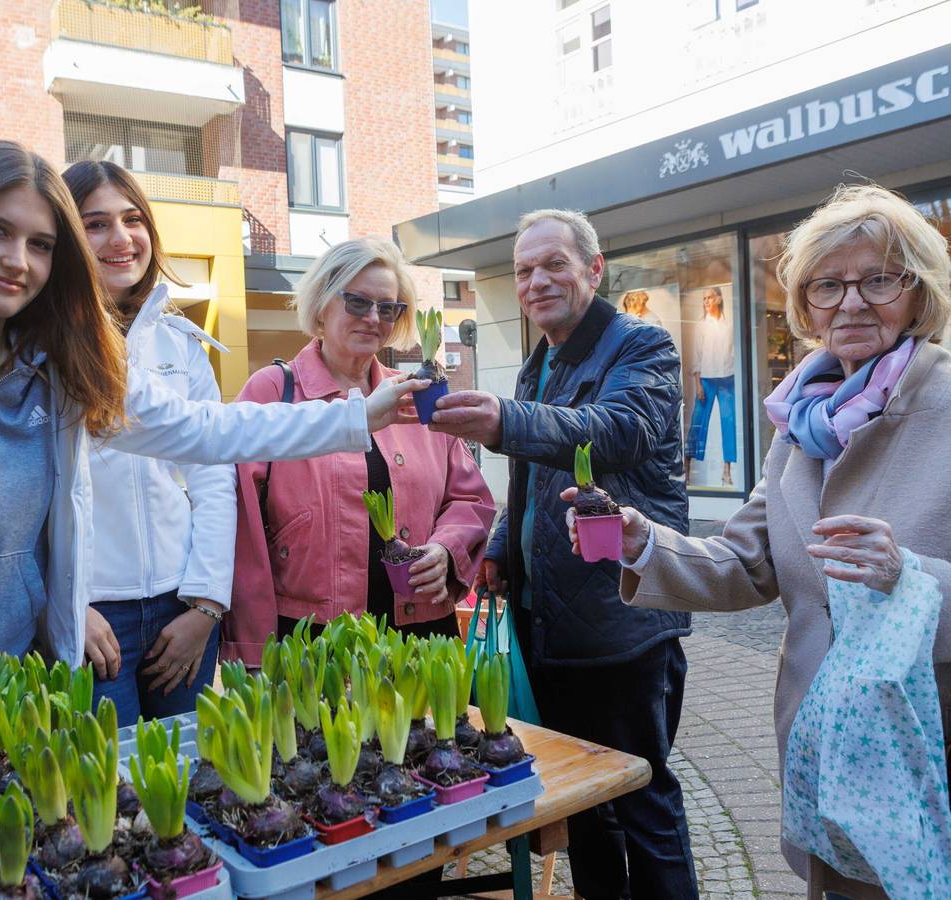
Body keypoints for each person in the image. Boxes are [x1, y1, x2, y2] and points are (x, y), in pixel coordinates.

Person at [0, 140, 423, 781]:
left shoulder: (61, 368)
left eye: (41, 244)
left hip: (3, 705)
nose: (18, 259)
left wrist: (353, 416)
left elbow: (205, 432)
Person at [565, 183, 951, 882]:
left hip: (927, 746)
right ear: (805, 306)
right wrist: (640, 541)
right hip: (821, 745)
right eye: (828, 285)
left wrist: (912, 576)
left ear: (919, 292)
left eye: (878, 280)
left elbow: (913, 580)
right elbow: (745, 563)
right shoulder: (800, 422)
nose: (851, 302)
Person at [431, 209, 698, 899]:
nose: (537, 280)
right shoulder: (539, 359)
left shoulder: (642, 345)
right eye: (524, 270)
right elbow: (537, 473)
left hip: (621, 621)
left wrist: (503, 420)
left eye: (554, 263)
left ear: (594, 267)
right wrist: (499, 544)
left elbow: (615, 433)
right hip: (549, 618)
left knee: (642, 796)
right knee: (584, 801)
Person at [223, 238, 495, 665]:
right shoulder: (273, 392)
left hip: (419, 629)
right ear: (323, 303)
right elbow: (239, 528)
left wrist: (446, 550)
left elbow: (469, 498)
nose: (374, 318)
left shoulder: (416, 397)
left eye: (388, 308)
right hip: (313, 636)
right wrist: (252, 647)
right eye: (357, 302)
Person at [63, 160, 233, 726]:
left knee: (186, 782)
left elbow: (214, 477)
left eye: (133, 219)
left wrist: (207, 606)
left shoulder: (182, 343)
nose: (121, 238)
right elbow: (24, 496)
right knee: (110, 795)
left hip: (179, 608)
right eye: (95, 224)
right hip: (91, 616)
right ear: (65, 235)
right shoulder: (40, 348)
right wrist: (65, 605)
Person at [685, 285, 737, 486]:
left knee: (729, 423)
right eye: (704, 299)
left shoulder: (729, 324)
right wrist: (697, 384)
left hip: (727, 378)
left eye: (709, 298)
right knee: (698, 422)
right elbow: (697, 356)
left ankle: (727, 472)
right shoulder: (701, 326)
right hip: (705, 379)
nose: (706, 302)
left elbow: (734, 353)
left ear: (718, 299)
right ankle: (687, 470)